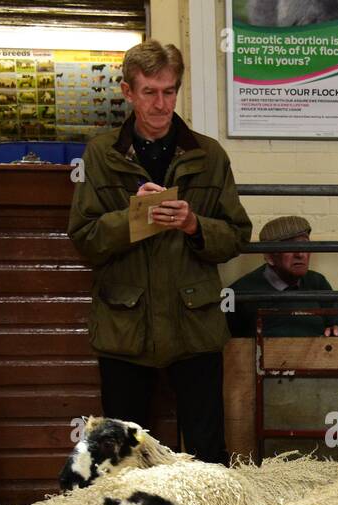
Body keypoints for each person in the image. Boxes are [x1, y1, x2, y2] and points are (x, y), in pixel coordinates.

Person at [68, 40, 251, 464]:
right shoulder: (100, 154)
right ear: (128, 92)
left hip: (194, 325)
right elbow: (85, 239)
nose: (160, 103)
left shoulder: (209, 155)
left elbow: (238, 235)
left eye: (169, 91)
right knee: (121, 455)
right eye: (149, 92)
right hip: (124, 326)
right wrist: (136, 218)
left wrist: (194, 225)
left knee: (207, 450)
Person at [228, 216, 338, 337]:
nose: (300, 254)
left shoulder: (317, 282)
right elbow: (226, 350)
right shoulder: (237, 293)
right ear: (270, 257)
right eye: (289, 246)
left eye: (304, 244)